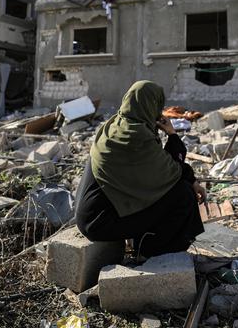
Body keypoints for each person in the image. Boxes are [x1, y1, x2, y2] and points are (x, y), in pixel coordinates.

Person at [75, 80, 206, 258]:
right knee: (182, 194)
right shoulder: (136, 138)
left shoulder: (115, 127)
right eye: (157, 106)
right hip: (100, 224)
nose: (159, 112)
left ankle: (144, 241)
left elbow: (163, 166)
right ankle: (151, 250)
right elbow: (172, 171)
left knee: (174, 188)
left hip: (92, 217)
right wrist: (172, 135)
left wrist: (191, 178)